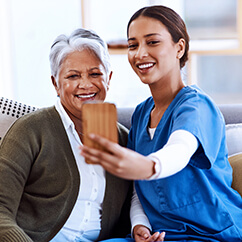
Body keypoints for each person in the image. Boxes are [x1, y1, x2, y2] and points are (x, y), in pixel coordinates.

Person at [80, 5, 242, 242]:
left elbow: (180, 148)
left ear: (179, 47)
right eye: (133, 45)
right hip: (161, 235)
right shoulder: (141, 113)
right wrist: (140, 226)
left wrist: (148, 166)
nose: (140, 53)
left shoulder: (197, 106)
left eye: (152, 42)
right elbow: (139, 190)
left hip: (210, 233)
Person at [0, 28, 132, 242]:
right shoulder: (30, 130)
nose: (86, 84)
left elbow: (136, 206)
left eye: (95, 74)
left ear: (108, 78)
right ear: (56, 84)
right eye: (73, 76)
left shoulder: (125, 140)